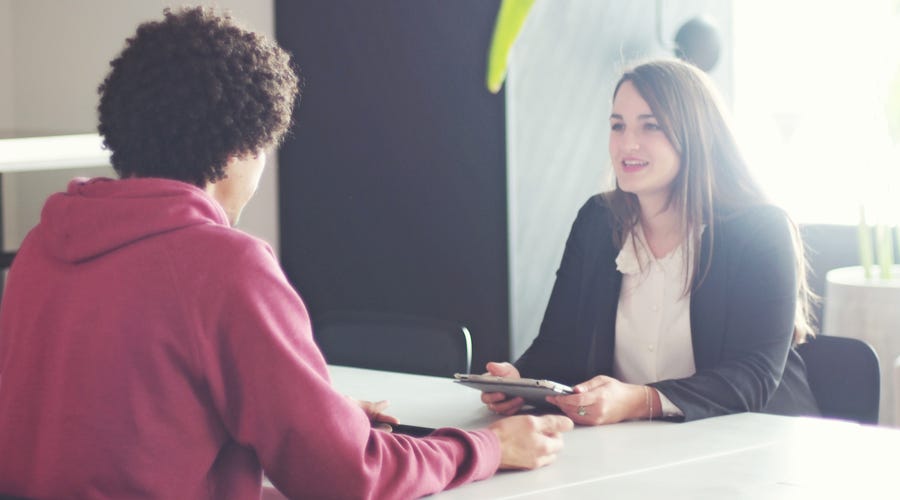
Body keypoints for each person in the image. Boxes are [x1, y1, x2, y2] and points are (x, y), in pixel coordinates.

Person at [0, 7, 572, 499]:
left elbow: (125, 423)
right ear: (241, 147)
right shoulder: (225, 266)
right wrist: (485, 448)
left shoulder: (42, 248)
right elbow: (347, 476)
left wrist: (319, 417)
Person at [482, 58, 821, 425]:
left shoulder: (759, 230)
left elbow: (751, 378)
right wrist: (520, 382)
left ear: (695, 135)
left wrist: (641, 400)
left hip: (754, 443)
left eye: (651, 126)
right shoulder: (597, 220)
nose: (628, 143)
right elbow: (558, 346)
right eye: (618, 125)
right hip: (634, 445)